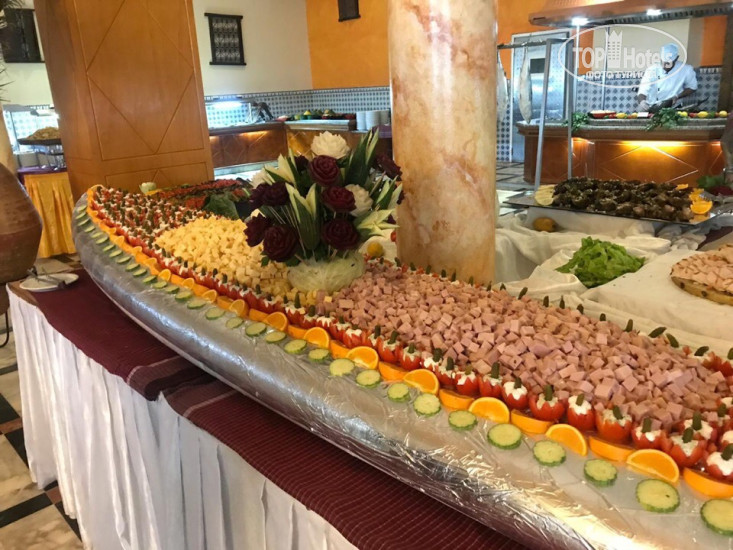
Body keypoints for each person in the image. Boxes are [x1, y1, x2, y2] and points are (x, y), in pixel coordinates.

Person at [636, 43, 697, 112]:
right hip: (652, 106)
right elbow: (643, 90)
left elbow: (692, 87)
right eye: (663, 62)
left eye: (669, 63)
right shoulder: (652, 70)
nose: (665, 65)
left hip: (674, 107)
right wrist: (642, 102)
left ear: (676, 58)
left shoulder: (686, 69)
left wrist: (677, 96)